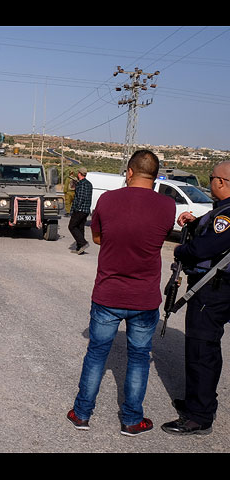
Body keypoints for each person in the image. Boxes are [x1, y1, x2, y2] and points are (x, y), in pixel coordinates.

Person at [67, 150, 176, 436]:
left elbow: (98, 238)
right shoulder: (167, 206)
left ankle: (81, 414)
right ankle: (131, 420)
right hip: (144, 298)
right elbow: (157, 238)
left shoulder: (107, 200)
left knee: (96, 355)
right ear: (155, 175)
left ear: (129, 172)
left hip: (108, 294)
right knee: (139, 358)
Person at [161, 161, 230, 436]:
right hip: (214, 287)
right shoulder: (221, 211)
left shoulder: (227, 214)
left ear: (222, 182)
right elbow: (213, 232)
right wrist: (197, 222)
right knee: (204, 348)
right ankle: (196, 402)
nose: (210, 182)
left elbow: (209, 246)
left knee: (202, 351)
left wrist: (181, 250)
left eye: (211, 178)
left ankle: (198, 416)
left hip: (213, 289)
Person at [68, 167, 93, 254]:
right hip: (86, 210)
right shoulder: (89, 184)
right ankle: (80, 249)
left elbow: (80, 198)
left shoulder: (82, 184)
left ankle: (83, 243)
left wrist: (75, 208)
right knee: (80, 228)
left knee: (72, 226)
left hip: (80, 210)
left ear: (79, 173)